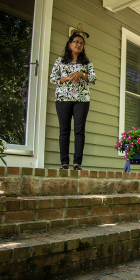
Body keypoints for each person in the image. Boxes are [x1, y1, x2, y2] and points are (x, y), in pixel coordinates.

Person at [49, 25, 96, 171]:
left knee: (79, 131)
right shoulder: (60, 61)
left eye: (81, 43)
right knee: (64, 130)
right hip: (63, 98)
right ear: (70, 44)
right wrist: (67, 78)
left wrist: (82, 75)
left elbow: (93, 79)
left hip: (82, 100)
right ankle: (64, 163)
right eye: (76, 42)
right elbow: (53, 78)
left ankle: (77, 164)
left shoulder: (86, 63)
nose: (79, 45)